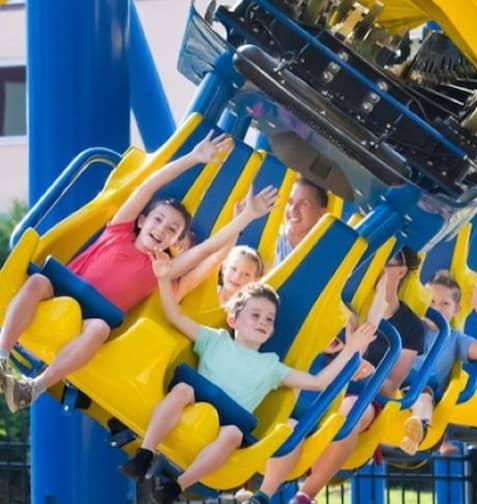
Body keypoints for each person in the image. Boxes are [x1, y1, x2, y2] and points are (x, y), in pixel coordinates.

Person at [0, 131, 278, 413]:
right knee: (37, 281)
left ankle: (34, 386)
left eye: (172, 230)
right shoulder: (119, 230)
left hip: (95, 315)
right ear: (143, 220)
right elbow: (147, 187)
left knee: (99, 330)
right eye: (158, 220)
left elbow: (206, 250)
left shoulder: (162, 268)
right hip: (65, 288)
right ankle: (1, 353)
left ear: (176, 243)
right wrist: (193, 158)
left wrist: (245, 218)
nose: (161, 229)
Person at [119, 254, 377, 504]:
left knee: (233, 434)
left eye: (269, 320)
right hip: (193, 406)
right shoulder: (215, 339)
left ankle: (177, 486)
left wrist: (351, 349)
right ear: (233, 320)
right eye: (256, 315)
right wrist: (164, 279)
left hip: (226, 425)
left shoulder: (271, 365)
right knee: (183, 389)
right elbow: (174, 315)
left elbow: (318, 382)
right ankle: (145, 453)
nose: (263, 323)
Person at [234, 247, 425, 504]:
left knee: (345, 414)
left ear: (401, 270)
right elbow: (319, 344)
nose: (381, 267)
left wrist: (369, 369)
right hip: (324, 382)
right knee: (292, 424)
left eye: (389, 262)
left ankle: (303, 498)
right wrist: (335, 349)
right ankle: (262, 496)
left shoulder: (405, 325)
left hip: (360, 392)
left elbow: (388, 379)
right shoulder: (346, 309)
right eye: (377, 261)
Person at [398, 271, 477, 455]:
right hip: (395, 379)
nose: (436, 308)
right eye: (431, 302)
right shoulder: (412, 325)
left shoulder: (455, 339)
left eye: (445, 303)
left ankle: (417, 428)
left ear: (456, 309)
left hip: (422, 386)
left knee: (423, 397)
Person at [274, 177, 328, 265]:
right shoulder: (271, 238)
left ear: (321, 212)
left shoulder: (328, 254)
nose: (293, 209)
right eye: (290, 202)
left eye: (303, 204)